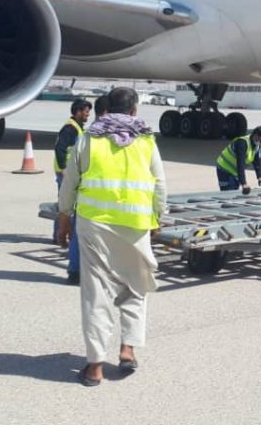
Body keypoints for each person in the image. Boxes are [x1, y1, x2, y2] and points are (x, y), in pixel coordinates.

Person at [56, 87, 166, 387]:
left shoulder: (89, 138)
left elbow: (70, 181)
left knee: (96, 292)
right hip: (135, 224)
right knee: (135, 286)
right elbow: (159, 183)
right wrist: (158, 217)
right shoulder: (146, 140)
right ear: (134, 110)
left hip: (94, 224)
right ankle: (128, 349)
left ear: (105, 109)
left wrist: (63, 218)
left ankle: (95, 367)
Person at [54, 98, 92, 284]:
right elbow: (60, 149)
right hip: (66, 173)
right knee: (65, 204)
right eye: (85, 111)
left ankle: (58, 234)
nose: (88, 114)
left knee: (65, 204)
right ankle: (58, 235)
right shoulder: (70, 128)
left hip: (71, 172)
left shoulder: (78, 128)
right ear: (77, 112)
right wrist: (62, 168)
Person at [215, 126, 261, 192]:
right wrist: (244, 183)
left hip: (234, 171)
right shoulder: (242, 143)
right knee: (228, 192)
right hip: (224, 169)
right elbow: (240, 163)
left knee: (234, 191)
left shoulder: (257, 145)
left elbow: (257, 161)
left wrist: (260, 177)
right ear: (256, 135)